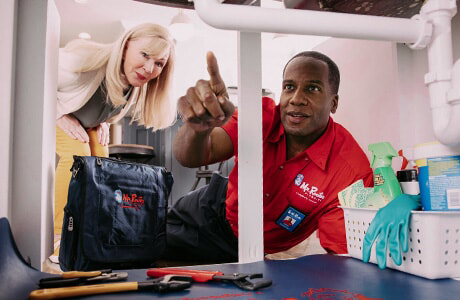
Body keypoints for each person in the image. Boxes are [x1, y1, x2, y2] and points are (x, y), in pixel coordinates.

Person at [165, 51, 373, 263]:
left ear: (334, 103)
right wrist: (198, 130)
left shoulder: (351, 171)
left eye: (313, 88)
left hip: (256, 250)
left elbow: (344, 256)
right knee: (148, 251)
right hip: (211, 211)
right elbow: (190, 157)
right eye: (289, 87)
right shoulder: (261, 116)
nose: (296, 99)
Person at [54, 23, 176, 257]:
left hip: (83, 122)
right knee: (76, 158)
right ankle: (60, 235)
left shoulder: (134, 83)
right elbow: (35, 72)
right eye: (145, 55)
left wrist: (104, 122)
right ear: (127, 44)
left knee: (100, 164)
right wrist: (58, 113)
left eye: (159, 63)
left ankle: (88, 230)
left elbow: (101, 101)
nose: (150, 68)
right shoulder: (81, 60)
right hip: (53, 115)